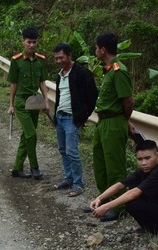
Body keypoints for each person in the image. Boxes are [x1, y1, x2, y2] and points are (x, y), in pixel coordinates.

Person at [90, 139, 158, 234]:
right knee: (132, 194)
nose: (144, 163)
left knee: (132, 202)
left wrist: (106, 207)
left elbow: (134, 193)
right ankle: (151, 228)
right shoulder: (143, 171)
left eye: (147, 158)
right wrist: (99, 198)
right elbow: (120, 185)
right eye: (140, 159)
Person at [90, 32, 135, 221]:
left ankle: (119, 206)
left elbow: (128, 101)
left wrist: (124, 120)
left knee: (114, 166)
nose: (95, 51)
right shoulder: (108, 69)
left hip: (114, 121)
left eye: (96, 48)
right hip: (103, 122)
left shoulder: (119, 70)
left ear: (103, 49)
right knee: (100, 162)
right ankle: (103, 201)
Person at [52, 42, 98, 197]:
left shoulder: (82, 73)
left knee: (72, 151)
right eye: (56, 59)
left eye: (61, 58)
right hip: (60, 117)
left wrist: (83, 116)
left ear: (69, 56)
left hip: (72, 119)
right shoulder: (60, 75)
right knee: (63, 150)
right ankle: (69, 178)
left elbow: (92, 97)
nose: (59, 61)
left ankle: (79, 184)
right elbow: (60, 97)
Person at [7, 27, 50, 180]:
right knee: (31, 134)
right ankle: (34, 168)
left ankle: (17, 168)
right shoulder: (16, 61)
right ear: (23, 42)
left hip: (35, 102)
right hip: (21, 102)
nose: (32, 45)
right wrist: (11, 104)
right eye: (29, 42)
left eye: (34, 42)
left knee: (26, 136)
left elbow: (42, 83)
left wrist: (46, 102)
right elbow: (13, 84)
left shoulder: (40, 60)